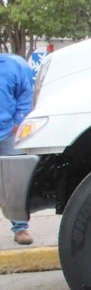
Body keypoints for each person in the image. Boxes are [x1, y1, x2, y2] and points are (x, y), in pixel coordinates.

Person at [0, 51, 35, 245]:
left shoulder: (13, 66)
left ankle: (21, 229)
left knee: (15, 184)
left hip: (8, 135)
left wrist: (18, 121)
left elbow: (25, 93)